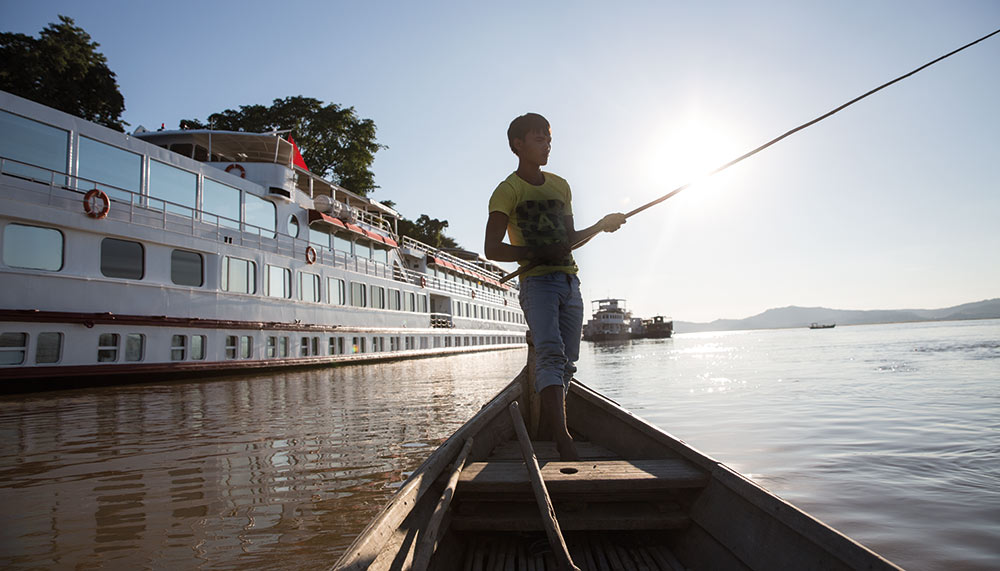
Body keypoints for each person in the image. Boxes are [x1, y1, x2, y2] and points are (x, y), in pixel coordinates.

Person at [484, 112, 626, 460]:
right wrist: (535, 251)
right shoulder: (507, 191)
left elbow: (569, 240)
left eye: (549, 139)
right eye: (539, 139)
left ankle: (553, 427)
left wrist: (600, 225)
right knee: (550, 353)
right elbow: (492, 248)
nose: (547, 145)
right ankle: (562, 437)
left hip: (568, 280)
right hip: (537, 283)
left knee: (568, 362)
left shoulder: (560, 185)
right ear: (518, 145)